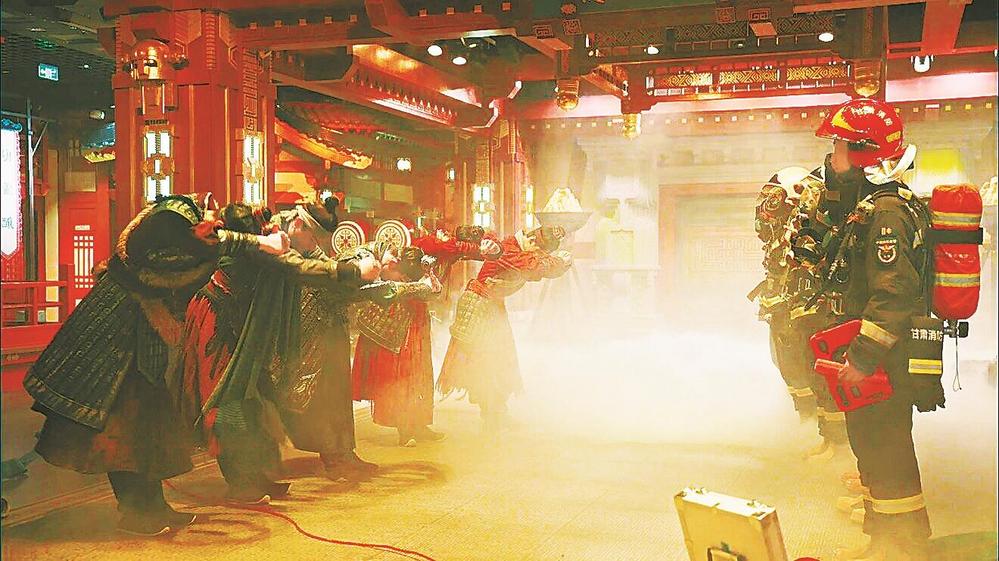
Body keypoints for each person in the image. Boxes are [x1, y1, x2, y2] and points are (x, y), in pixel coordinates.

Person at [24, 194, 289, 536]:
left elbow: (202, 246)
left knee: (146, 425)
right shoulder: (167, 227)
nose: (213, 226)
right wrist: (258, 242)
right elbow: (200, 245)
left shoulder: (168, 231)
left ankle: (153, 506)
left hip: (138, 336)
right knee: (122, 433)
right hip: (115, 339)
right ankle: (137, 512)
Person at [175, 200, 382, 502]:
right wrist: (352, 271)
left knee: (256, 402)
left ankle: (256, 475)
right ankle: (240, 482)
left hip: (244, 324)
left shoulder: (264, 240)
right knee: (228, 403)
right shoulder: (253, 246)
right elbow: (297, 268)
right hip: (219, 322)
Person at [813, 98, 941, 561]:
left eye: (838, 146)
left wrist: (863, 359)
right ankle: (882, 541)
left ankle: (902, 549)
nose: (832, 157)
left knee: (886, 451)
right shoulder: (877, 206)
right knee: (873, 447)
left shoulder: (886, 213)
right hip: (881, 355)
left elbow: (893, 294)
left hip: (885, 358)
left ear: (862, 152)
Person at [352, 227, 502, 446]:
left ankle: (419, 424)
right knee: (403, 373)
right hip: (397, 317)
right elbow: (459, 250)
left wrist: (490, 250)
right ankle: (405, 427)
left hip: (416, 315)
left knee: (420, 371)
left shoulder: (442, 252)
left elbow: (464, 256)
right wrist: (482, 249)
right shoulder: (433, 246)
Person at [437, 225, 572, 432]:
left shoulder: (519, 250)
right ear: (532, 241)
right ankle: (491, 415)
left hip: (492, 306)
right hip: (480, 306)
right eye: (540, 250)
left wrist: (556, 263)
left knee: (501, 361)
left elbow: (538, 266)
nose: (540, 254)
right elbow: (533, 267)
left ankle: (497, 412)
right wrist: (559, 261)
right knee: (485, 363)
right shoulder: (508, 248)